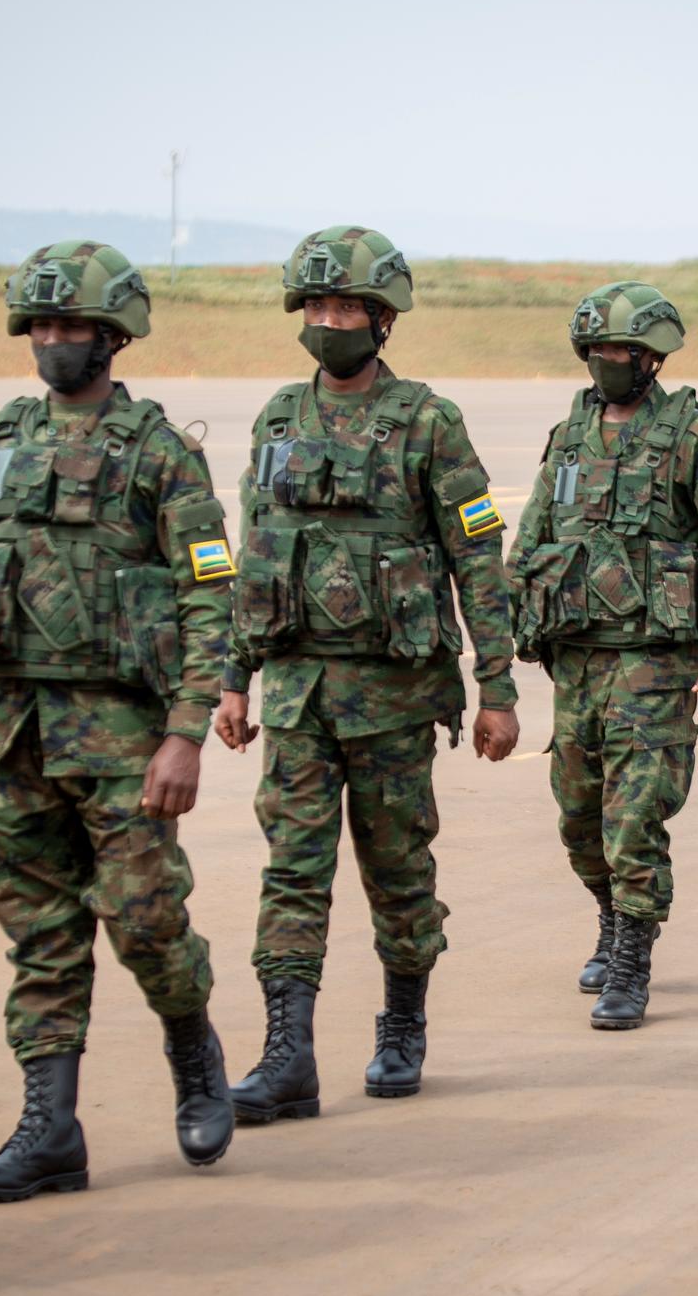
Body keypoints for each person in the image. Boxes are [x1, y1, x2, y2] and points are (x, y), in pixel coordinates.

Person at [0, 239, 236, 1201]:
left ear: (114, 335)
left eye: (74, 325)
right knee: (38, 931)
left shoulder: (159, 453)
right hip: (13, 732)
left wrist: (186, 732)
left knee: (145, 919)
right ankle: (50, 1127)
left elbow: (209, 596)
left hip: (123, 740)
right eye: (41, 324)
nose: (55, 340)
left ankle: (193, 1051)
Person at [213, 226, 520, 1119]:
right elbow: (256, 557)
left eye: (348, 306)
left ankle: (401, 1025)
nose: (330, 321)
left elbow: (477, 558)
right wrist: (233, 677)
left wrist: (497, 689)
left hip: (393, 697)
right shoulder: (278, 419)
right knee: (292, 872)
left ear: (384, 319)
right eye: (318, 305)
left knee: (398, 871)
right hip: (297, 695)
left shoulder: (428, 421)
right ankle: (288, 1055)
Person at [508, 282, 698, 1028]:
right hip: (576, 661)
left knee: (635, 818)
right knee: (578, 819)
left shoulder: (693, 437)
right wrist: (510, 628)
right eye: (595, 349)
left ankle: (632, 959)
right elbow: (531, 538)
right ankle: (611, 916)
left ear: (652, 356)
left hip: (653, 662)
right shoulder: (569, 435)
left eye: (618, 349)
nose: (605, 361)